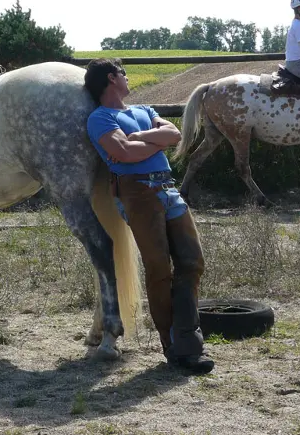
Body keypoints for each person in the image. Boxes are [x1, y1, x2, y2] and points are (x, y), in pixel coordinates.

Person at [84, 58, 214, 374]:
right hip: (137, 193)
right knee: (159, 269)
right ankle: (177, 348)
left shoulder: (143, 110)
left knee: (192, 261)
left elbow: (173, 136)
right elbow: (124, 154)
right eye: (124, 74)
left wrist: (137, 141)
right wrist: (151, 142)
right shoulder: (99, 118)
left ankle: (185, 339)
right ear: (113, 78)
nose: (128, 80)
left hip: (167, 188)